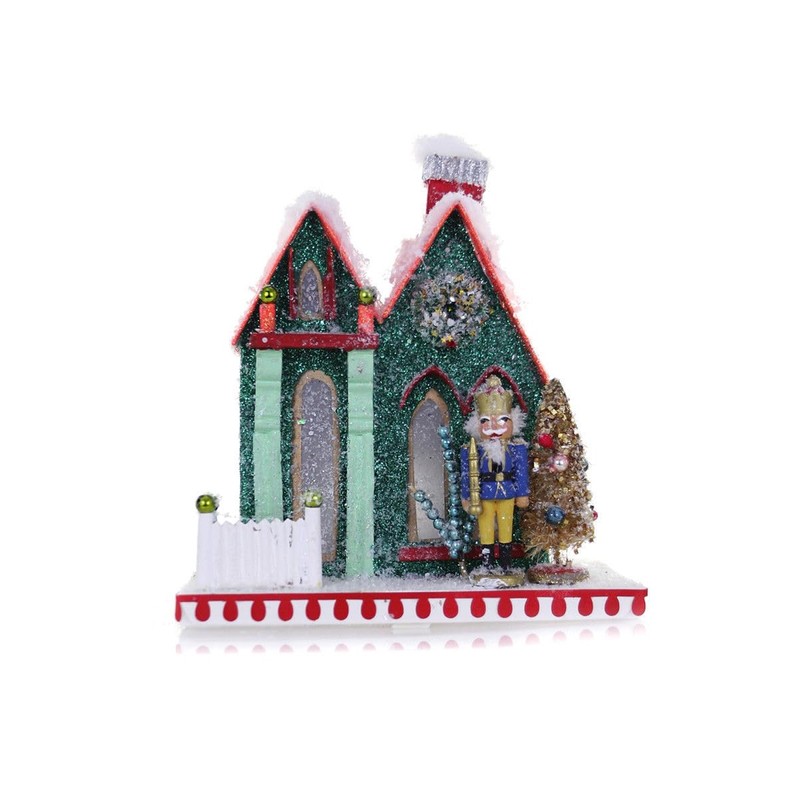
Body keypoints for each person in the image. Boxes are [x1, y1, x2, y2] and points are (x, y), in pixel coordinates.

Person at [461, 376, 529, 571]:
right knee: (486, 530)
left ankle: (506, 564)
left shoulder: (516, 449)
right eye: (486, 422)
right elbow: (467, 473)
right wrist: (466, 496)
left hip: (507, 493)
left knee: (506, 528)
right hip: (484, 494)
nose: (494, 428)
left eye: (501, 421)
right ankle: (487, 564)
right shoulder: (473, 449)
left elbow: (521, 472)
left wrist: (522, 493)